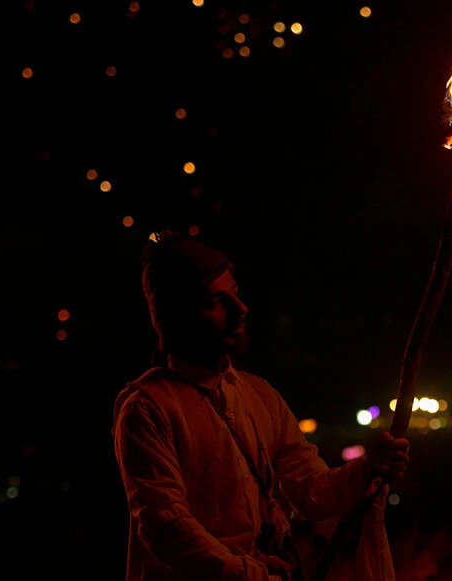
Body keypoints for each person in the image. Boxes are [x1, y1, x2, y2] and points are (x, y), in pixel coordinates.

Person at [113, 231, 409, 581]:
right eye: (216, 301)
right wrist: (252, 574)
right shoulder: (147, 410)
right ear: (180, 318)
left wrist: (368, 469)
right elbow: (167, 528)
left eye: (235, 293)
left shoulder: (260, 395)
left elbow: (310, 489)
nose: (241, 309)